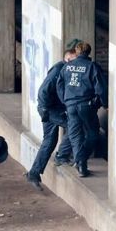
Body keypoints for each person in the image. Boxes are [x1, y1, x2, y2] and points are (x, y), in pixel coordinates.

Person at [25, 47, 77, 189]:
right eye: (74, 60)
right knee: (74, 126)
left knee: (49, 140)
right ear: (67, 58)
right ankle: (62, 155)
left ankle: (34, 173)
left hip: (51, 109)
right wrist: (46, 109)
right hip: (49, 110)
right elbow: (44, 90)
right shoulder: (58, 70)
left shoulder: (64, 69)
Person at [56, 41, 107, 177]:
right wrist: (105, 104)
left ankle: (81, 165)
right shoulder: (92, 67)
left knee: (75, 135)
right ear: (88, 52)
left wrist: (65, 101)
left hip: (71, 106)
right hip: (87, 105)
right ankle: (81, 160)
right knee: (93, 133)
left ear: (77, 52)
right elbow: (100, 89)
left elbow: (59, 85)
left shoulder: (66, 67)